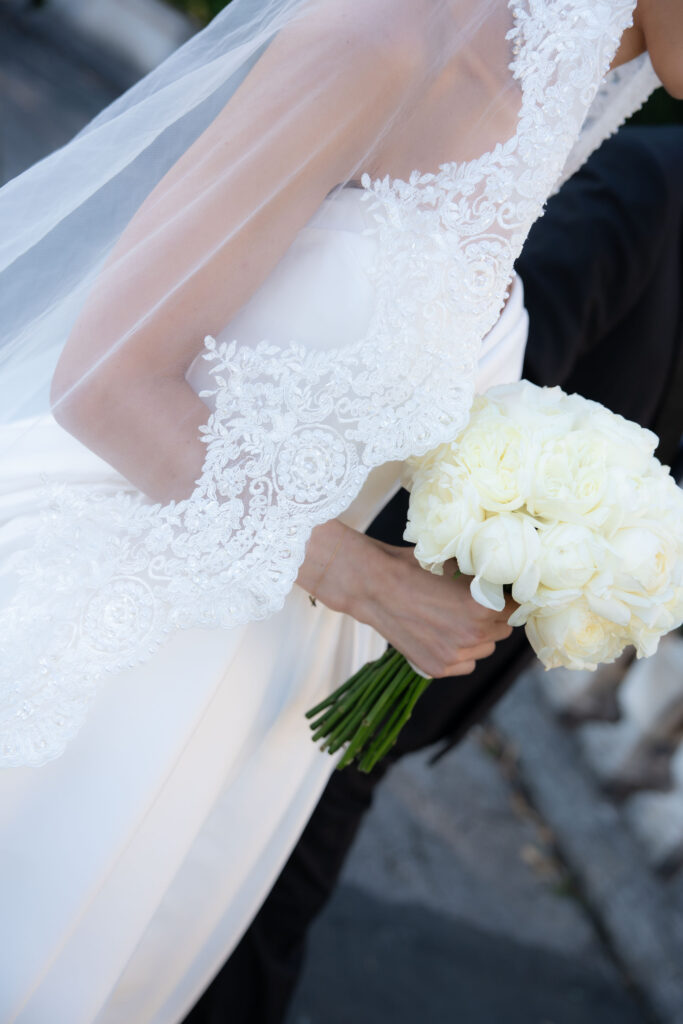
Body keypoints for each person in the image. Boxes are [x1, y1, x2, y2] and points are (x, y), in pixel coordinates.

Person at [0, 2, 681, 1021]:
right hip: (107, 642)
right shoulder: (382, 39)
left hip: (258, 703)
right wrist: (364, 577)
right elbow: (106, 381)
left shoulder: (555, 127)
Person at [182, 120, 683, 1024]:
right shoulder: (643, 190)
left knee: (244, 911)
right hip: (365, 621)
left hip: (438, 661)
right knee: (238, 925)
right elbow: (483, 411)